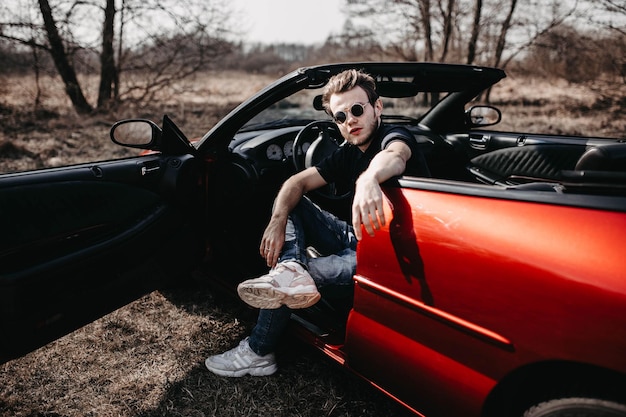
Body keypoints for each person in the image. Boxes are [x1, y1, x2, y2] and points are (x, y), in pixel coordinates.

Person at [205, 69, 430, 377]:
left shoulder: (393, 138)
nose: (350, 120)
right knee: (293, 213)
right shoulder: (349, 151)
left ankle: (258, 350)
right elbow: (297, 182)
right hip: (358, 236)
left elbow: (396, 155)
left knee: (283, 285)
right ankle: (291, 268)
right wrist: (277, 218)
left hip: (388, 255)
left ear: (377, 108)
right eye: (340, 116)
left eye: (357, 109)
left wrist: (369, 179)